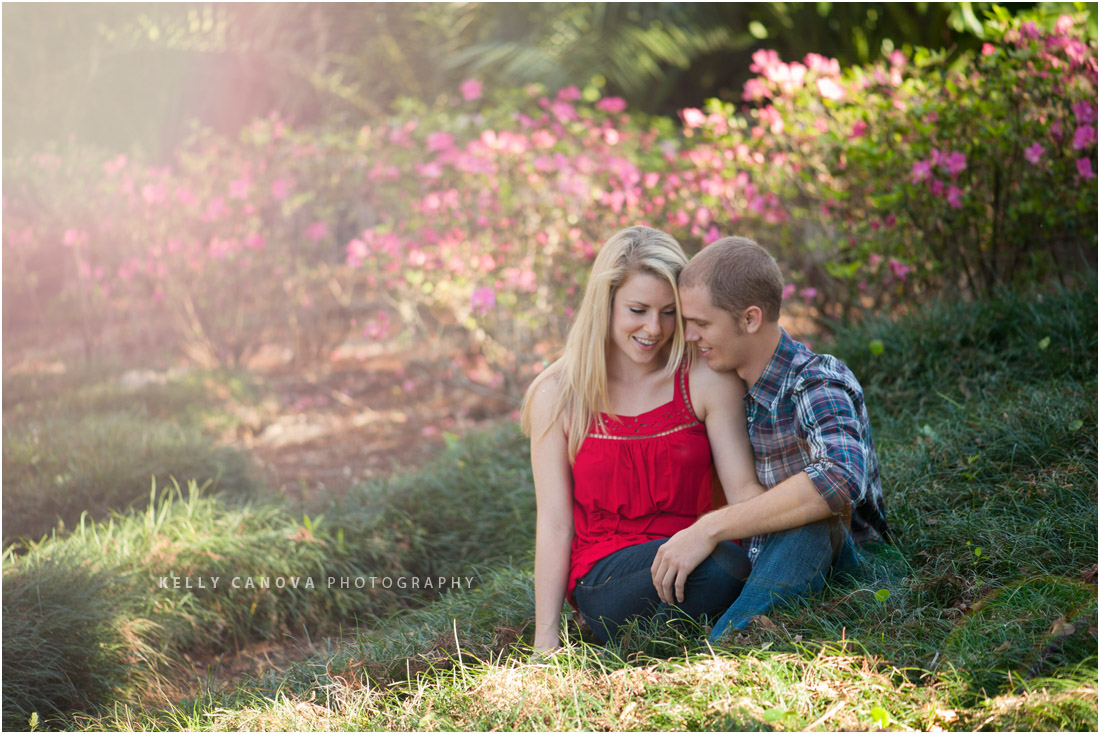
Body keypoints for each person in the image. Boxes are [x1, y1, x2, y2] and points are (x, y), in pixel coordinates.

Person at [520, 226, 762, 650]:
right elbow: (556, 523)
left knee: (728, 563)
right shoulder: (558, 396)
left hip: (699, 549)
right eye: (638, 309)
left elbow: (742, 490)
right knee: (721, 572)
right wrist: (547, 638)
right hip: (608, 572)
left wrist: (800, 505)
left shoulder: (705, 381)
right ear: (606, 304)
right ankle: (680, 624)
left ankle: (670, 634)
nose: (655, 328)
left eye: (670, 312)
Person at [651, 235, 890, 642]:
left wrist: (708, 529)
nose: (689, 336)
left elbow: (839, 478)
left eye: (702, 324)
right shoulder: (733, 392)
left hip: (847, 564)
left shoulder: (814, 381)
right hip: (765, 563)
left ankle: (721, 650)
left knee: (818, 516)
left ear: (750, 319)